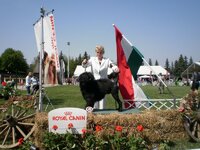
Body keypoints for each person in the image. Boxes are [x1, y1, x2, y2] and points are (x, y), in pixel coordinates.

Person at [82, 45, 119, 109]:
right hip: (94, 84)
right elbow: (84, 65)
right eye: (97, 52)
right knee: (94, 101)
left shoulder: (107, 60)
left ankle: (102, 115)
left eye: (101, 52)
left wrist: (115, 68)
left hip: (104, 84)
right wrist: (84, 62)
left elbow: (112, 65)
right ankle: (94, 114)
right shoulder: (92, 60)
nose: (99, 54)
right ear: (96, 52)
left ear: (103, 52)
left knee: (102, 103)